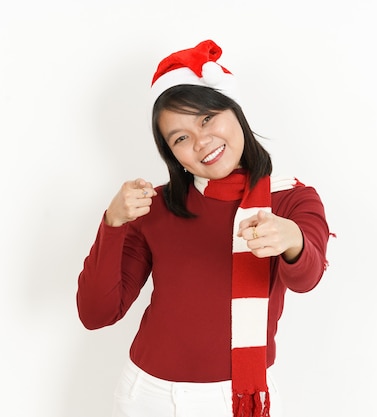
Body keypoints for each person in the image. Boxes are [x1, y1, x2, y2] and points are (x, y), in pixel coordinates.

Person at [76, 39, 331, 417]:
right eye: (181, 138)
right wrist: (113, 223)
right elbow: (96, 314)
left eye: (207, 118)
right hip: (146, 396)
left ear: (234, 110)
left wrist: (292, 239)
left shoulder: (291, 199)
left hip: (239, 398)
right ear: (172, 155)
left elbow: (307, 276)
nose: (201, 141)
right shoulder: (155, 206)